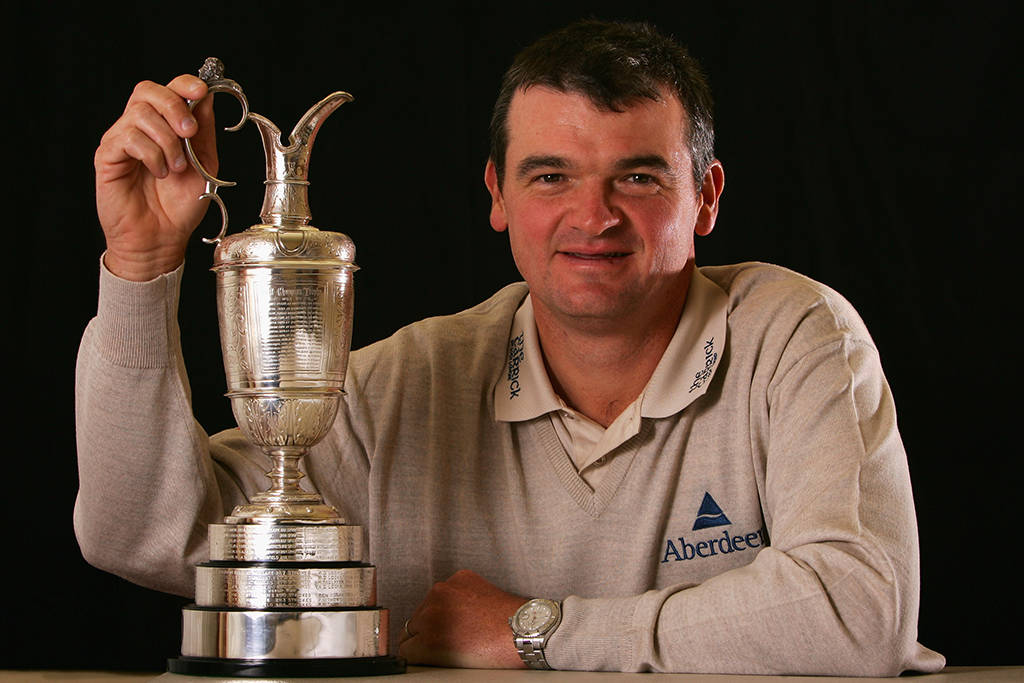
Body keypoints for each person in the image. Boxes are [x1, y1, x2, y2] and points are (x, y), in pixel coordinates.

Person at [76, 19, 945, 675]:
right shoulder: (406, 386)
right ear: (497, 194)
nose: (593, 216)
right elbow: (147, 535)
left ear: (706, 197)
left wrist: (536, 628)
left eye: (639, 176)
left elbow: (860, 611)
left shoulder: (796, 336)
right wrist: (141, 265)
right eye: (550, 176)